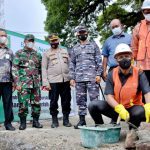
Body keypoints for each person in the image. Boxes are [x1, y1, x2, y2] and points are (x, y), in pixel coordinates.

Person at [88, 43, 150, 130]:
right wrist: (119, 108)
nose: (124, 59)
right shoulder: (112, 74)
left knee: (140, 112)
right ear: (116, 60)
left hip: (133, 110)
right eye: (120, 57)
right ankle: (101, 128)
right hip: (117, 109)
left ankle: (132, 131)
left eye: (127, 56)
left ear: (131, 57)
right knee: (93, 105)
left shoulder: (139, 73)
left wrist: (149, 106)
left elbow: (147, 92)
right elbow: (109, 96)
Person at [69, 26, 103, 129]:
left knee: (95, 101)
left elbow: (99, 61)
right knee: (80, 100)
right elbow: (72, 64)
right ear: (77, 34)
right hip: (79, 79)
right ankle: (82, 121)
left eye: (83, 32)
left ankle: (98, 121)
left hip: (92, 78)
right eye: (80, 32)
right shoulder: (75, 48)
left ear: (87, 33)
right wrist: (72, 77)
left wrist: (98, 74)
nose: (82, 34)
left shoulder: (94, 45)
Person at [12, 34, 43, 130]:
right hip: (24, 84)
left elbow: (41, 69)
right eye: (29, 41)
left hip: (36, 83)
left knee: (36, 103)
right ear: (24, 42)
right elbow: (14, 69)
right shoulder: (19, 53)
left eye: (32, 41)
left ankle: (36, 121)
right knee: (23, 104)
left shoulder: (37, 54)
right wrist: (17, 83)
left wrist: (42, 82)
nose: (30, 42)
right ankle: (23, 122)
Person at [42, 34, 72, 128]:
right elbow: (43, 68)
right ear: (49, 42)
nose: (54, 42)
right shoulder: (46, 53)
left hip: (65, 80)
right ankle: (54, 120)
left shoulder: (65, 51)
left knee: (66, 101)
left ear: (58, 41)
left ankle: (66, 120)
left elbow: (70, 65)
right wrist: (46, 83)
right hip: (53, 81)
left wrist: (71, 78)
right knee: (53, 101)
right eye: (52, 41)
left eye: (55, 40)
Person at [131, 0, 150, 89]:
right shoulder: (138, 27)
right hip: (141, 66)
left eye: (149, 10)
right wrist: (133, 64)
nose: (147, 12)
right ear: (142, 12)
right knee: (143, 90)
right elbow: (134, 47)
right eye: (145, 11)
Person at [0, 28, 15, 131]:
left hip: (7, 81)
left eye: (4, 35)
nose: (3, 37)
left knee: (8, 103)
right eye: (1, 35)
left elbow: (13, 67)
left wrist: (14, 81)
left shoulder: (10, 51)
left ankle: (8, 123)